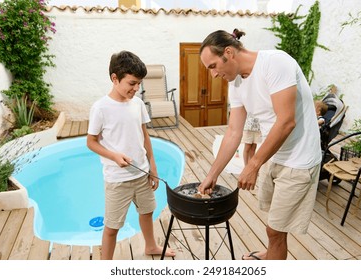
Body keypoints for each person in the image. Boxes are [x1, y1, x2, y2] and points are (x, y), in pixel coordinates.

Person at [198, 29, 321, 260]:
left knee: (274, 229)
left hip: (299, 160)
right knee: (273, 222)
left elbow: (286, 122)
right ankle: (270, 253)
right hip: (273, 155)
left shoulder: (275, 63)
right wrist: (212, 174)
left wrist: (252, 165)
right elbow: (234, 132)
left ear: (229, 52)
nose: (213, 75)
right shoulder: (235, 83)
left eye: (213, 66)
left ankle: (271, 255)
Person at [87, 50, 175, 260]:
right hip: (117, 180)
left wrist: (152, 168)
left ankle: (150, 246)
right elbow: (90, 142)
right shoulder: (100, 108)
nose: (136, 88)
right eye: (132, 83)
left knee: (146, 212)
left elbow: (145, 136)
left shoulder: (137, 104)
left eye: (139, 84)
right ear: (115, 78)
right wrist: (114, 156)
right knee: (112, 227)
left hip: (142, 174)